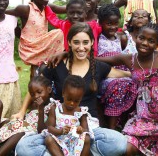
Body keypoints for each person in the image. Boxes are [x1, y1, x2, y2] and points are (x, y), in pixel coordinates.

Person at [15, 23, 130, 156]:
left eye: (85, 42)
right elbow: (36, 84)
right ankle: (67, 151)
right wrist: (21, 111)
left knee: (119, 142)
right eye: (76, 42)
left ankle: (70, 150)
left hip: (87, 128)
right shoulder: (57, 65)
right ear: (69, 42)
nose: (81, 47)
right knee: (24, 147)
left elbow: (125, 74)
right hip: (58, 127)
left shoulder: (99, 67)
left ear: (92, 42)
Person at [96, 23, 158, 156]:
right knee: (127, 150)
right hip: (143, 117)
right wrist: (67, 54)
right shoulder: (129, 59)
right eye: (141, 38)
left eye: (151, 41)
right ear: (136, 37)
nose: (144, 43)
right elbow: (99, 59)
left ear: (157, 44)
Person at [0, 76, 53, 156]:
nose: (36, 96)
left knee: (19, 132)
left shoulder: (51, 107)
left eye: (39, 92)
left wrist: (41, 111)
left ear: (49, 90)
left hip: (32, 134)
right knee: (7, 123)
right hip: (22, 127)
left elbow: (42, 131)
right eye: (32, 94)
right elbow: (27, 118)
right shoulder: (35, 104)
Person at [97, 4, 137, 129]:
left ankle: (126, 124)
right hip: (105, 76)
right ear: (101, 23)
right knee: (119, 86)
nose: (113, 27)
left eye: (116, 23)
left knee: (135, 84)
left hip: (121, 73)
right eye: (109, 23)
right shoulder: (97, 38)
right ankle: (112, 128)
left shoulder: (121, 38)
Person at [43, 75, 92, 156]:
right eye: (69, 99)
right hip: (59, 140)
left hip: (75, 141)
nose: (72, 103)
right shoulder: (55, 108)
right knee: (48, 139)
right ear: (63, 93)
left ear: (81, 98)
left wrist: (81, 130)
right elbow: (50, 128)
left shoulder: (81, 112)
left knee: (86, 138)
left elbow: (86, 129)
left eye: (76, 101)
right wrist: (61, 131)